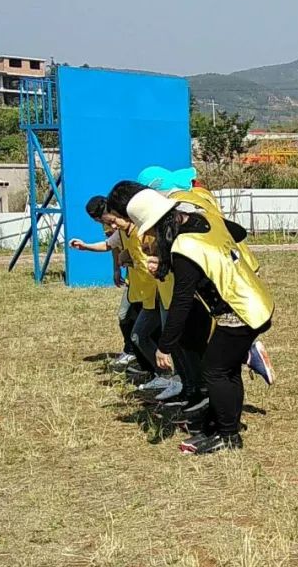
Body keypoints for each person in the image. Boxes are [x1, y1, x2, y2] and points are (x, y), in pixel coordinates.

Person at [115, 185, 274, 454]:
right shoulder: (202, 219)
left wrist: (165, 346)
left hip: (239, 311)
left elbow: (182, 301)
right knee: (226, 368)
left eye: (151, 232)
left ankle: (226, 435)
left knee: (214, 370)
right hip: (255, 298)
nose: (151, 238)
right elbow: (238, 233)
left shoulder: (184, 247)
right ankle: (223, 426)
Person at [70, 196, 139, 371]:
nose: (111, 226)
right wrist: (86, 247)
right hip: (135, 282)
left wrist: (122, 263)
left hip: (149, 284)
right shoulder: (116, 228)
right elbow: (111, 245)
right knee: (126, 317)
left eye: (109, 221)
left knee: (139, 324)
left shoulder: (138, 225)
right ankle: (136, 355)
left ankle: (154, 366)